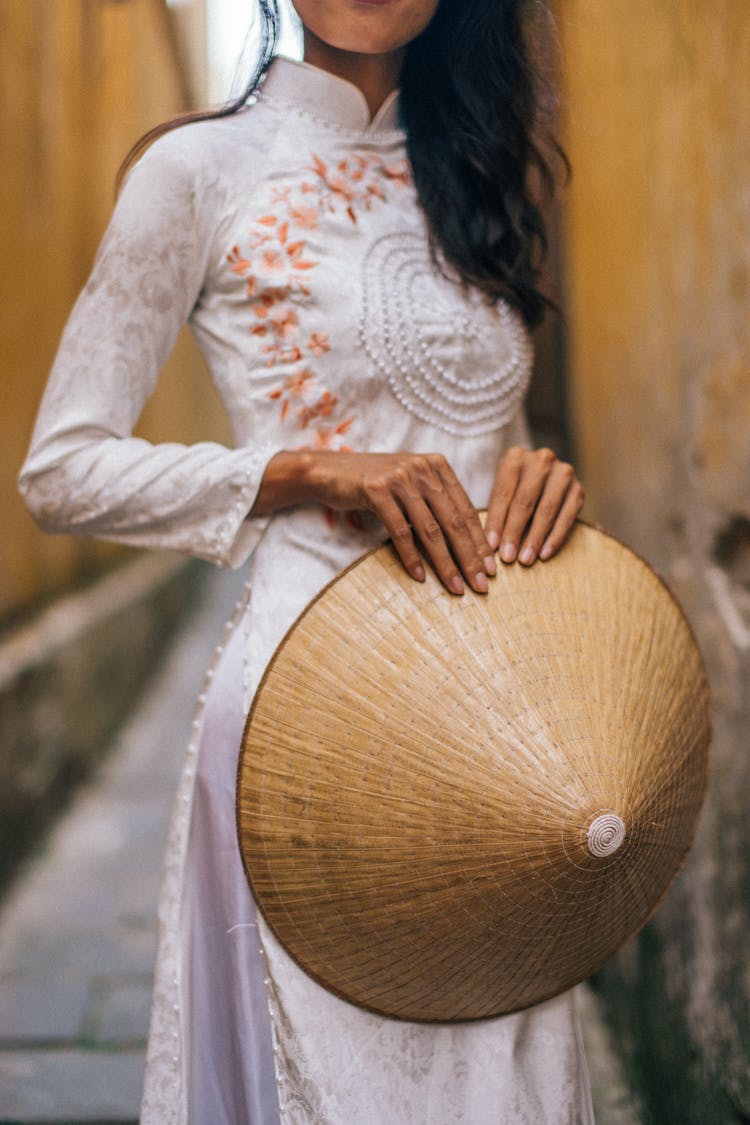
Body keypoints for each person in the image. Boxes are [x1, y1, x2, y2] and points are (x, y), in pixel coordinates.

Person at [19, 1, 592, 1120]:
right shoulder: (198, 170)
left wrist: (545, 484)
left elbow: (491, 445)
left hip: (499, 726)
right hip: (308, 716)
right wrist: (305, 472)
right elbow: (61, 469)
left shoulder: (482, 172)